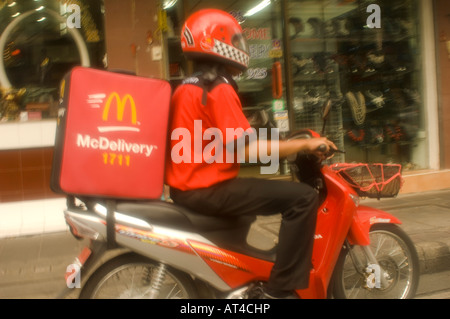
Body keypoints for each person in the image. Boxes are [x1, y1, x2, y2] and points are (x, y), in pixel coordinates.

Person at [165, 9, 337, 299]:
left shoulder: (189, 86)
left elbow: (223, 139)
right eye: (235, 40)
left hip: (187, 186)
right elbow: (247, 148)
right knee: (302, 198)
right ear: (217, 43)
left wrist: (284, 141)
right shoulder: (217, 88)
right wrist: (303, 145)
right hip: (207, 188)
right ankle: (279, 291)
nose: (240, 47)